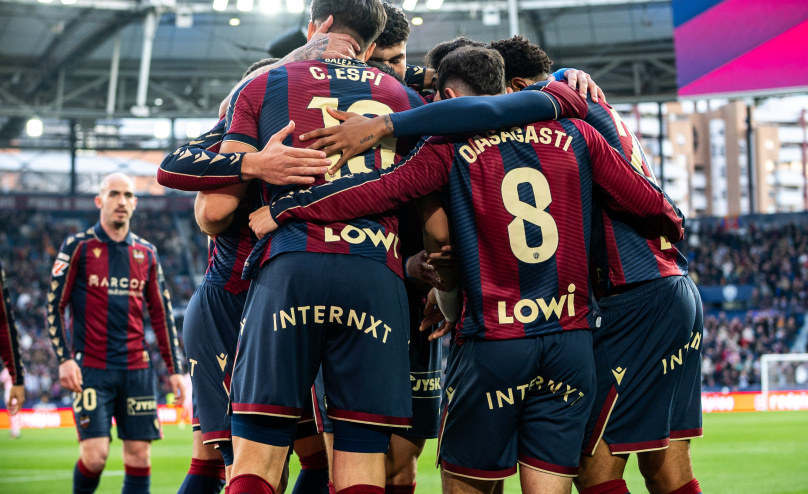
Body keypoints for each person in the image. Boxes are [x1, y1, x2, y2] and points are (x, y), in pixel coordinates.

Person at [249, 46, 684, 494]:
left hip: (494, 341)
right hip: (569, 342)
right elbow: (653, 204)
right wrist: (674, 221)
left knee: (468, 484)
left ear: (450, 96)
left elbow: (374, 192)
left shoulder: (446, 148)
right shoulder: (578, 133)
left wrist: (289, 209)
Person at [198, 1, 429, 492]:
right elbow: (438, 225)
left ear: (314, 26)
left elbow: (214, 215)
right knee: (362, 460)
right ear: (373, 45)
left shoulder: (260, 86)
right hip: (375, 275)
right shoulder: (405, 98)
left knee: (258, 458)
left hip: (290, 269)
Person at [489, 36, 703, 494]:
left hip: (632, 299)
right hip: (669, 288)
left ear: (521, 86)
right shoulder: (582, 98)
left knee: (590, 468)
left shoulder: (566, 110)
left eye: (496, 96)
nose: (495, 114)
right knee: (665, 467)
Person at [160, 54, 341, 494]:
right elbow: (208, 212)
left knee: (316, 457)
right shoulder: (231, 142)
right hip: (230, 306)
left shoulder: (300, 138)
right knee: (248, 464)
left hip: (282, 306)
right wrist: (252, 163)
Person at [47, 172, 186, 494]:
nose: (121, 201)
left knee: (139, 456)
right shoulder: (78, 247)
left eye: (127, 195)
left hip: (137, 370)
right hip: (91, 369)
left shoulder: (147, 253)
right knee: (95, 457)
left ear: (135, 203)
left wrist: (175, 370)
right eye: (113, 194)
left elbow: (161, 314)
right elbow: (53, 306)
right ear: (100, 201)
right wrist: (65, 359)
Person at [0, 259, 25, 439]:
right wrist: (17, 377)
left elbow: (4, 323)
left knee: (13, 414)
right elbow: (4, 323)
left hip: (11, 390)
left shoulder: (4, 374)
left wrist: (17, 379)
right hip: (13, 385)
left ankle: (15, 431)